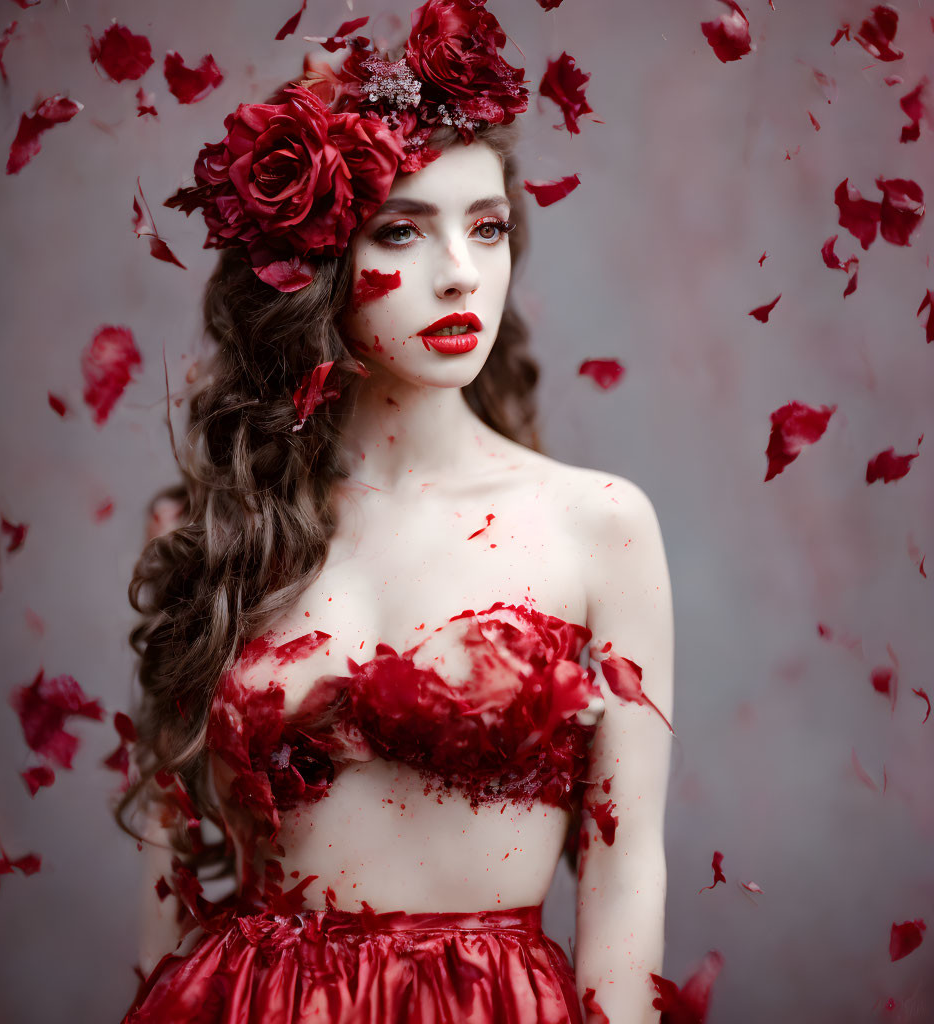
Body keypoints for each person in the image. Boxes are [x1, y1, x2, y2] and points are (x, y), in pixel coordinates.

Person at [115, 2, 674, 1021]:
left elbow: (625, 866)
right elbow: (169, 867)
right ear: (313, 267)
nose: (460, 271)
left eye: (488, 227)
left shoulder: (596, 525)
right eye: (402, 230)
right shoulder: (208, 531)